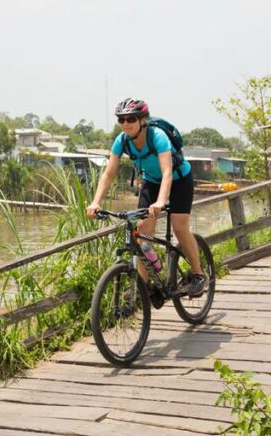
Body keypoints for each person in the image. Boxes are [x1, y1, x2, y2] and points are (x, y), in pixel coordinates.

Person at [86, 98, 206, 297]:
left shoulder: (157, 136)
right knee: (142, 230)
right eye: (121, 120)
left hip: (179, 180)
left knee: (179, 226)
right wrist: (95, 202)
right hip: (151, 182)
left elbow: (167, 171)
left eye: (131, 118)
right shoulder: (121, 141)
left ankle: (198, 274)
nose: (125, 123)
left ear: (142, 121)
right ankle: (142, 284)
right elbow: (108, 174)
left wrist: (160, 201)